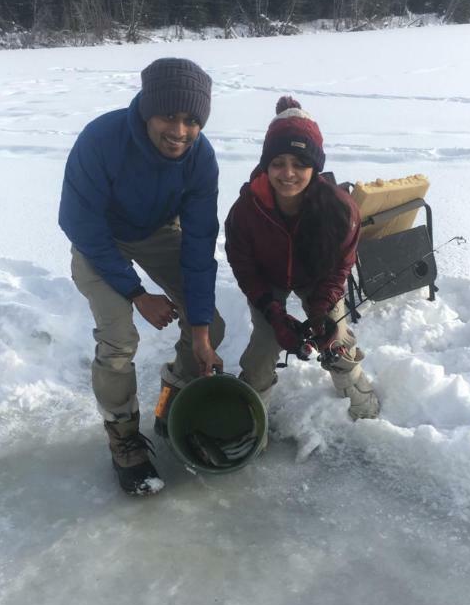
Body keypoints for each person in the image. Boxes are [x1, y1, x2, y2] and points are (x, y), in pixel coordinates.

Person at [59, 58, 225, 496]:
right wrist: (136, 293)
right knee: (118, 339)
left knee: (211, 326)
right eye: (169, 115)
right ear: (147, 109)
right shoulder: (102, 139)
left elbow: (198, 245)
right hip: (99, 241)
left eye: (192, 120)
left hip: (155, 232)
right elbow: (79, 222)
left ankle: (171, 403)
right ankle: (123, 438)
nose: (180, 130)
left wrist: (202, 330)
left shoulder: (200, 159)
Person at [225, 95, 379, 422]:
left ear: (315, 167)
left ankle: (363, 407)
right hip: (268, 280)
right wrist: (273, 311)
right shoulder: (246, 210)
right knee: (265, 345)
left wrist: (322, 307)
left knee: (337, 337)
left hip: (316, 278)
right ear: (266, 164)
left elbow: (340, 267)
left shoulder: (341, 210)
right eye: (278, 162)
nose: (288, 174)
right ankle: (251, 418)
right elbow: (244, 266)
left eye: (300, 164)